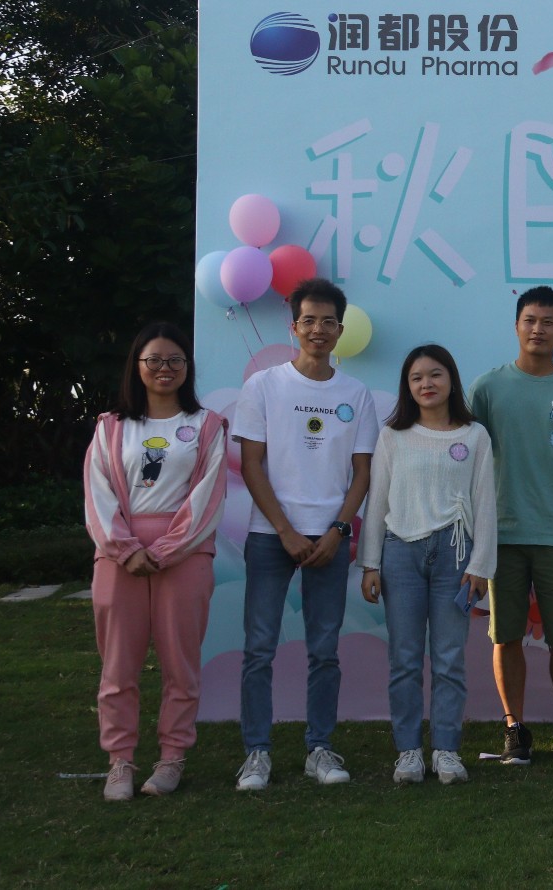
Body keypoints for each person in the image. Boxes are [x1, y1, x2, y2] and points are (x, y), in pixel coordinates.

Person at [234, 278, 378, 791]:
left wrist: (339, 530)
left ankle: (320, 748)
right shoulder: (263, 386)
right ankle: (257, 753)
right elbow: (251, 465)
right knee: (259, 648)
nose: (319, 329)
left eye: (328, 321)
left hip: (329, 539)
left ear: (340, 329)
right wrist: (284, 530)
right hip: (271, 537)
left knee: (324, 650)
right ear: (293, 327)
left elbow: (362, 473)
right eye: (309, 320)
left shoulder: (355, 394)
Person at [84, 322, 227, 800]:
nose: (165, 368)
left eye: (175, 360)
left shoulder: (207, 426)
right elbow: (97, 494)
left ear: (187, 367)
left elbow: (208, 496)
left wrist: (165, 550)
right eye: (155, 360)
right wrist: (125, 549)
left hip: (184, 555)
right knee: (117, 666)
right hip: (118, 557)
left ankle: (172, 757)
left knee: (180, 665)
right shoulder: (111, 426)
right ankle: (120, 761)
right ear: (137, 366)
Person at [469, 286, 553, 765]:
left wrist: (547, 500)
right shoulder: (487, 388)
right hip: (501, 535)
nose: (538, 329)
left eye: (548, 322)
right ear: (516, 325)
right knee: (505, 635)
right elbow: (472, 460)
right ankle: (515, 729)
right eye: (530, 320)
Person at [358, 344, 497, 785]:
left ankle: (447, 750)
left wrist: (481, 565)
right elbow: (377, 500)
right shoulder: (393, 436)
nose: (426, 384)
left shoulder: (474, 435)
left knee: (449, 658)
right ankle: (408, 752)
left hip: (456, 555)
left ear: (451, 380)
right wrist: (370, 564)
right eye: (416, 378)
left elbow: (485, 503)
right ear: (408, 386)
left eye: (435, 374)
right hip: (401, 553)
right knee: (404, 658)